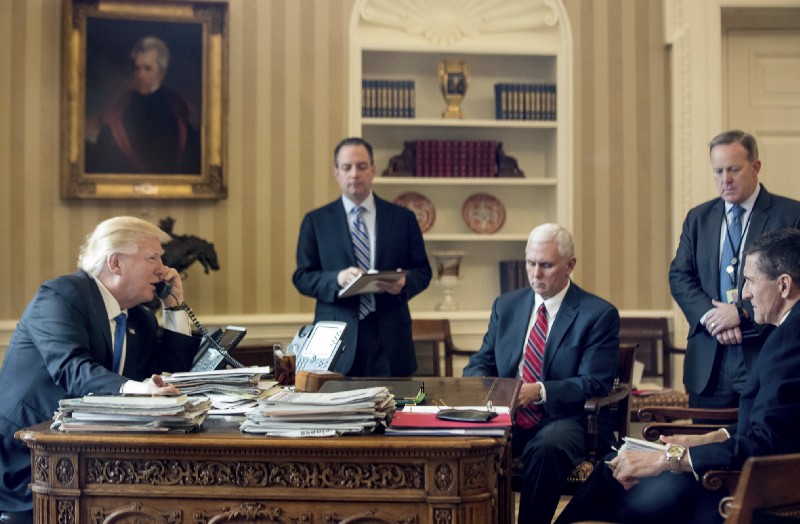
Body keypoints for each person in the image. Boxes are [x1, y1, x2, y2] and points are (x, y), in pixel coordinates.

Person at [556, 228, 800, 524]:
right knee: (617, 467)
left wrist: (667, 459)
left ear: (784, 285)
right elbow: (773, 425)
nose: (745, 294)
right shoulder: (787, 333)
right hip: (746, 477)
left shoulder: (788, 343)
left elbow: (767, 443)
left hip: (751, 495)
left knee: (614, 472)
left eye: (750, 281)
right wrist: (701, 439)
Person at [0, 216, 201, 523]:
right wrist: (135, 388)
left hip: (90, 457)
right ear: (115, 263)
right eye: (152, 258)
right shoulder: (61, 296)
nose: (164, 269)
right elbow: (72, 369)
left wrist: (174, 308)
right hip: (25, 456)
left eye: (162, 258)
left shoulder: (140, 319)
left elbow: (168, 374)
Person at [462, 223, 620, 524]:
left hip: (567, 418)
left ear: (570, 265)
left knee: (546, 448)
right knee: (465, 441)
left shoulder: (598, 314)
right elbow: (480, 361)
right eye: (531, 264)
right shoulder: (506, 306)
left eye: (546, 266)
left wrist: (540, 391)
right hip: (507, 414)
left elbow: (594, 381)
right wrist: (485, 386)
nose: (535, 274)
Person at [669, 130, 800, 409]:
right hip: (709, 360)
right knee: (701, 447)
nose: (724, 180)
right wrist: (712, 317)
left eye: (733, 169)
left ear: (756, 167)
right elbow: (679, 275)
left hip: (763, 350)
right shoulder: (698, 218)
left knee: (758, 444)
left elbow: (794, 284)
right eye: (718, 171)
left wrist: (739, 313)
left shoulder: (790, 215)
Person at [293, 137, 432, 377]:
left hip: (390, 338)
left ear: (373, 170)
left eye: (362, 166)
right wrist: (337, 278)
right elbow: (302, 277)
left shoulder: (402, 219)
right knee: (335, 413)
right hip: (336, 339)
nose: (354, 174)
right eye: (347, 167)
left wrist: (403, 284)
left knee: (394, 412)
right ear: (336, 173)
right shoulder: (316, 221)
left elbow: (423, 271)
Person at [85, 36, 201, 174]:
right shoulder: (118, 112)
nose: (140, 75)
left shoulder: (177, 112)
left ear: (161, 72)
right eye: (137, 68)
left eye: (147, 69)